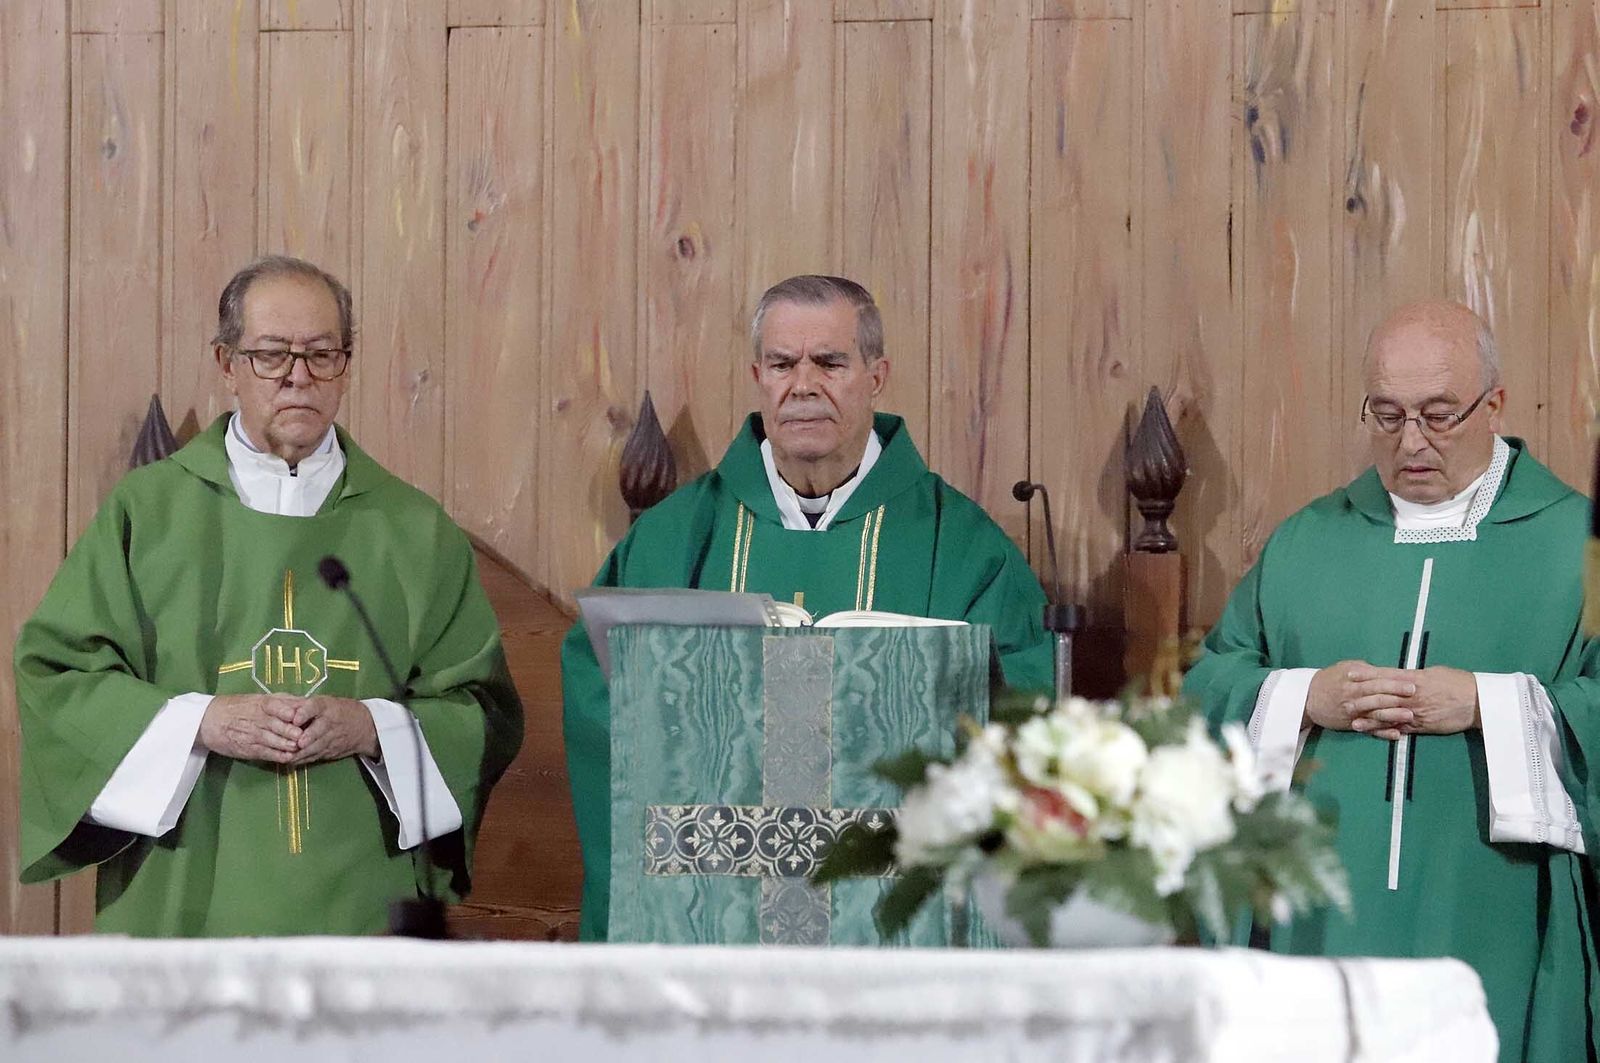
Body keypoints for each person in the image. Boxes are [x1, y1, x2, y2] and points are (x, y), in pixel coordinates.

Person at [15, 255, 523, 936]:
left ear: (346, 364)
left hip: (363, 907)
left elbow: (482, 713)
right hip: (184, 897)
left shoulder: (412, 529)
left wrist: (372, 726)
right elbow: (58, 679)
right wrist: (201, 721)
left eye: (322, 354)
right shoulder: (150, 512)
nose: (298, 377)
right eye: (272, 355)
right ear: (227, 363)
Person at [562, 274, 1054, 941]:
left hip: (896, 891)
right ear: (757, 375)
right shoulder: (676, 537)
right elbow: (600, 690)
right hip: (710, 896)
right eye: (782, 363)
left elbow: (1024, 708)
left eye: (829, 362)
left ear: (876, 375)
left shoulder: (962, 547)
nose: (803, 384)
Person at [1183, 301, 1597, 1062]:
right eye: (1387, 414)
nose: (1411, 441)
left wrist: (1486, 703)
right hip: (1322, 920)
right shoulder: (1308, 540)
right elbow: (1210, 678)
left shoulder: (1575, 544)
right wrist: (1307, 696)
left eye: (1439, 415)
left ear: (1495, 404)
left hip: (1492, 910)